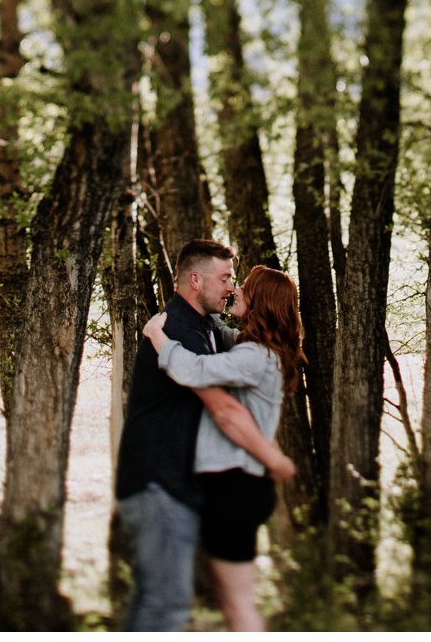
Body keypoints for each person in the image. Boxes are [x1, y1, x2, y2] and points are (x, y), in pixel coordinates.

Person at [114, 240, 295, 631]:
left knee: (177, 602)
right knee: (169, 604)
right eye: (227, 278)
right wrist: (272, 457)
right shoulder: (186, 329)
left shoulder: (215, 337)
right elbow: (224, 408)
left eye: (238, 281)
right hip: (159, 482)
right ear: (196, 280)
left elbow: (223, 401)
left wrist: (271, 457)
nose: (233, 288)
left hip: (197, 485)